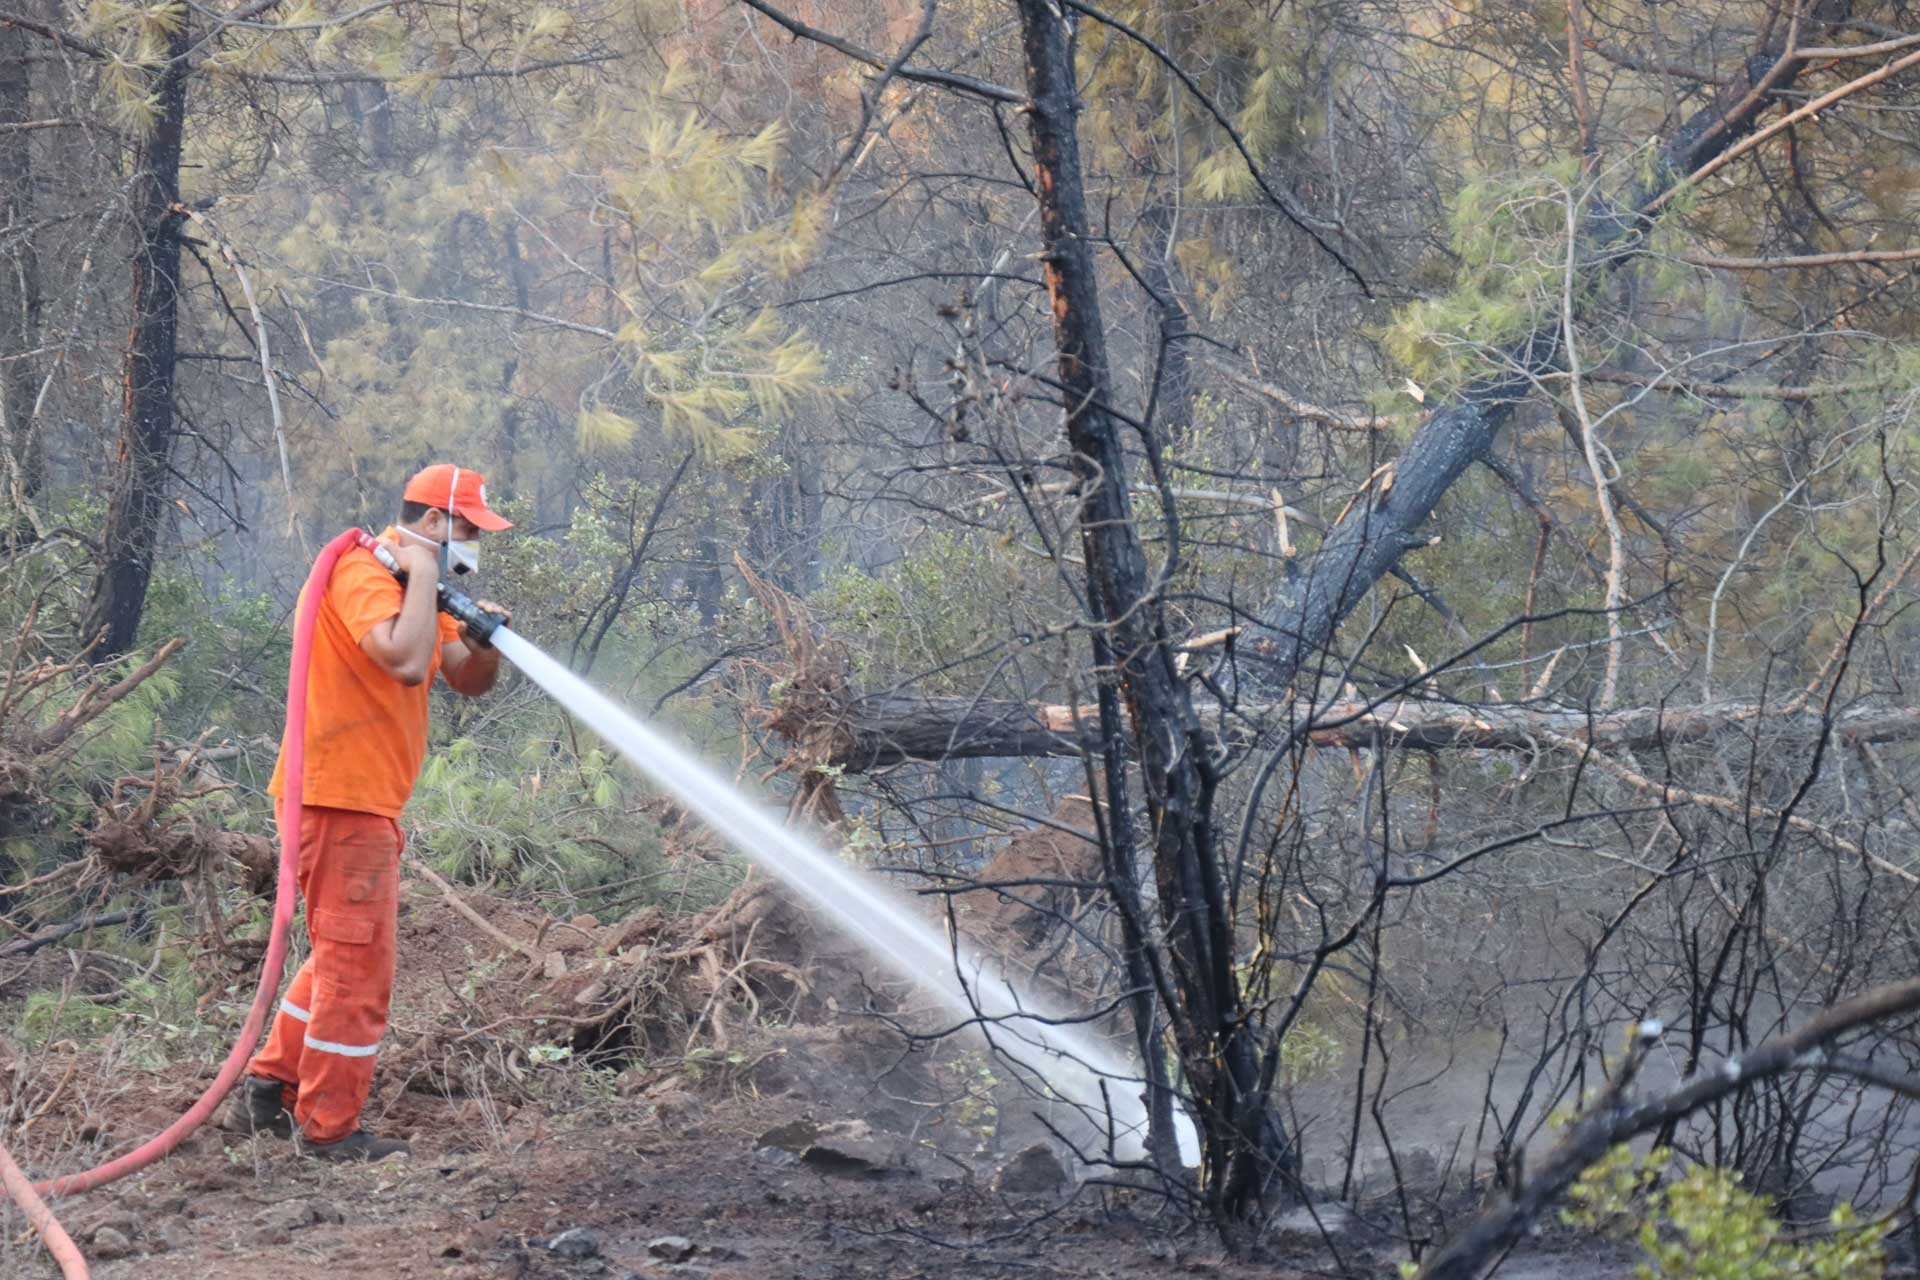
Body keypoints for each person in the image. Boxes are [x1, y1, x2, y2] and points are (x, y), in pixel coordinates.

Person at [228, 464, 513, 1161]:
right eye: (470, 527)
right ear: (436, 523)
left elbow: (461, 676)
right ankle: (329, 1131)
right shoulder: (363, 570)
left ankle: (268, 1089)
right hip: (337, 799)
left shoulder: (411, 581)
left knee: (337, 954)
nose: (476, 541)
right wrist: (418, 576)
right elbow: (406, 662)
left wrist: (479, 645)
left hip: (363, 801)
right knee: (359, 972)